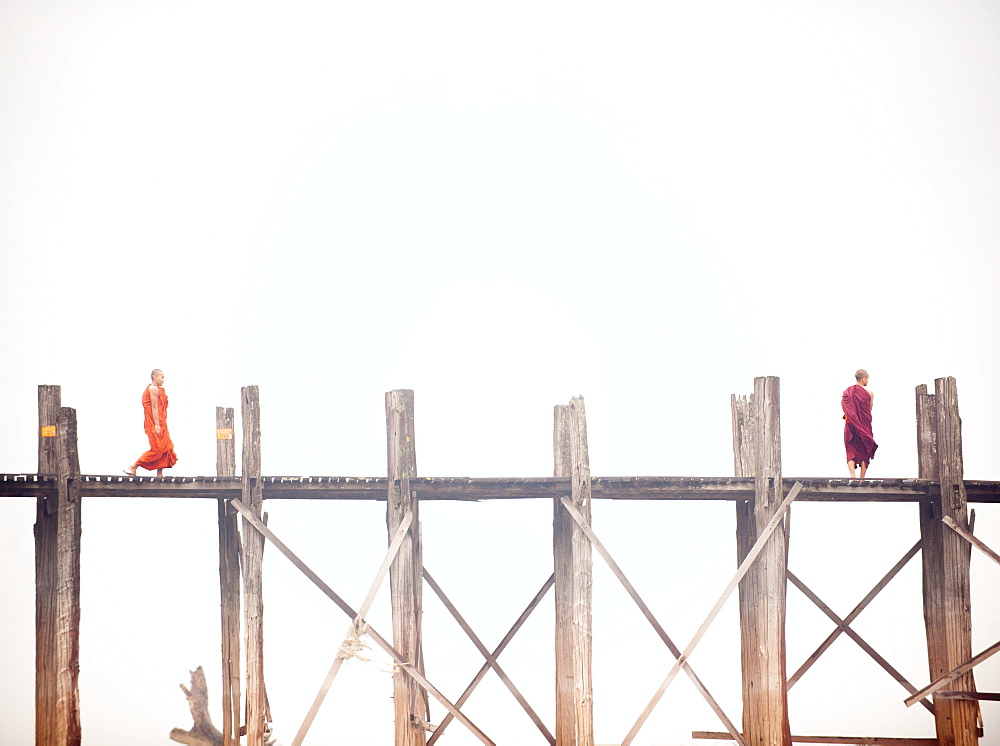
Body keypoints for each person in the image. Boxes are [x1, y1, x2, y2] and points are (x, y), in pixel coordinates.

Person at [125, 369, 178, 477]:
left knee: (166, 447)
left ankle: (160, 473)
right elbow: (154, 407)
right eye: (161, 377)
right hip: (154, 423)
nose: (163, 380)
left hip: (162, 422)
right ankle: (134, 466)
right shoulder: (153, 389)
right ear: (155, 377)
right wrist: (157, 425)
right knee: (158, 448)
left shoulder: (159, 389)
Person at [842, 368, 877, 479]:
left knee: (851, 447)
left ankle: (853, 476)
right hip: (864, 425)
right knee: (865, 448)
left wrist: (853, 416)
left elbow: (843, 405)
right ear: (863, 378)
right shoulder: (869, 393)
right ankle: (862, 478)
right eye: (867, 379)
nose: (867, 381)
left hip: (851, 423)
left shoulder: (847, 392)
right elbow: (869, 410)